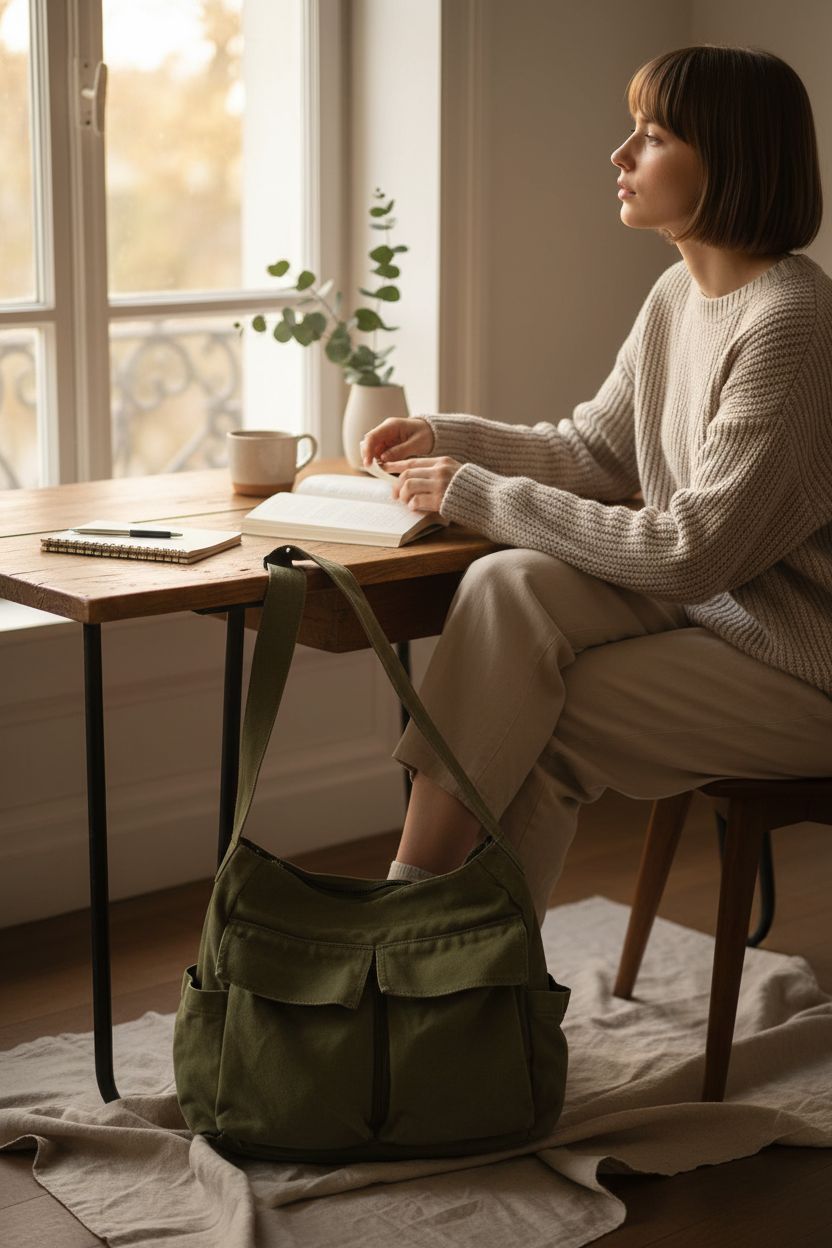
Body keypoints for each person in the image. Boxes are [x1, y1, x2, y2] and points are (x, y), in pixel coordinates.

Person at [360, 44, 832, 925]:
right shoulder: (675, 297)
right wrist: (446, 438)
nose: (620, 154)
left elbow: (693, 553)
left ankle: (427, 968)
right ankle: (405, 923)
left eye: (653, 136)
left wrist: (472, 491)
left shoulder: (793, 322)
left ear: (728, 159)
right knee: (506, 582)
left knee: (542, 720)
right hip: (719, 617)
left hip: (804, 664)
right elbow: (593, 451)